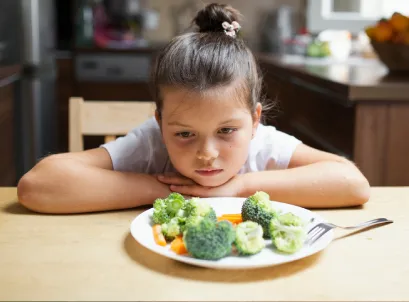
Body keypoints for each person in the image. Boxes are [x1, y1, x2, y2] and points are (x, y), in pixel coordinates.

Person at [17, 3, 370, 214]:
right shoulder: (151, 143)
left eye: (227, 131)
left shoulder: (264, 145)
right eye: (184, 134)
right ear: (159, 122)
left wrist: (237, 188)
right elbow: (38, 186)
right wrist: (167, 191)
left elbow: (353, 184)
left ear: (255, 120)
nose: (207, 153)